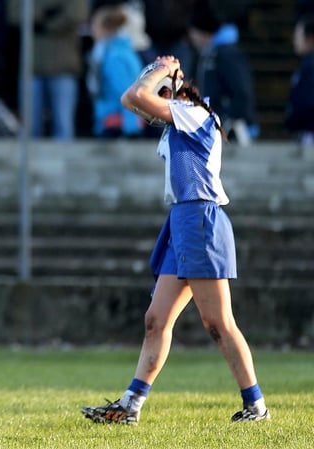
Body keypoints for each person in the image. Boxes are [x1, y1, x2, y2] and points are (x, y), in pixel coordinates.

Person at [81, 56, 270, 424]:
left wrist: (162, 71)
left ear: (174, 90)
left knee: (218, 322)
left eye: (162, 91)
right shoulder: (179, 119)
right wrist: (160, 75)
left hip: (200, 218)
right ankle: (131, 405)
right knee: (156, 320)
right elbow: (131, 99)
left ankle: (256, 407)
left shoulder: (194, 112)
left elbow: (136, 95)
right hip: (183, 220)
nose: (154, 103)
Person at [7, 0, 88, 139]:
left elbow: (77, 14)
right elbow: (15, 14)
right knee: (30, 127)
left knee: (63, 125)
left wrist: (43, 23)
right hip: (32, 65)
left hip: (64, 65)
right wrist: (51, 12)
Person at [188, 0, 258, 146]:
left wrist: (228, 117)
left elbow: (242, 91)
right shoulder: (211, 54)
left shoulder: (225, 54)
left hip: (233, 130)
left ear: (202, 32)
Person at [86, 3, 145, 138]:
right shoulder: (116, 51)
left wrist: (131, 126)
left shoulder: (114, 57)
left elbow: (126, 92)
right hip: (115, 120)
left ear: (106, 28)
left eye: (95, 26)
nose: (92, 30)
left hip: (117, 123)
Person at [284, 14, 314, 149]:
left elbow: (308, 101)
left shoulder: (310, 66)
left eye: (298, 36)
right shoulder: (306, 65)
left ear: (310, 39)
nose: (295, 40)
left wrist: (293, 121)